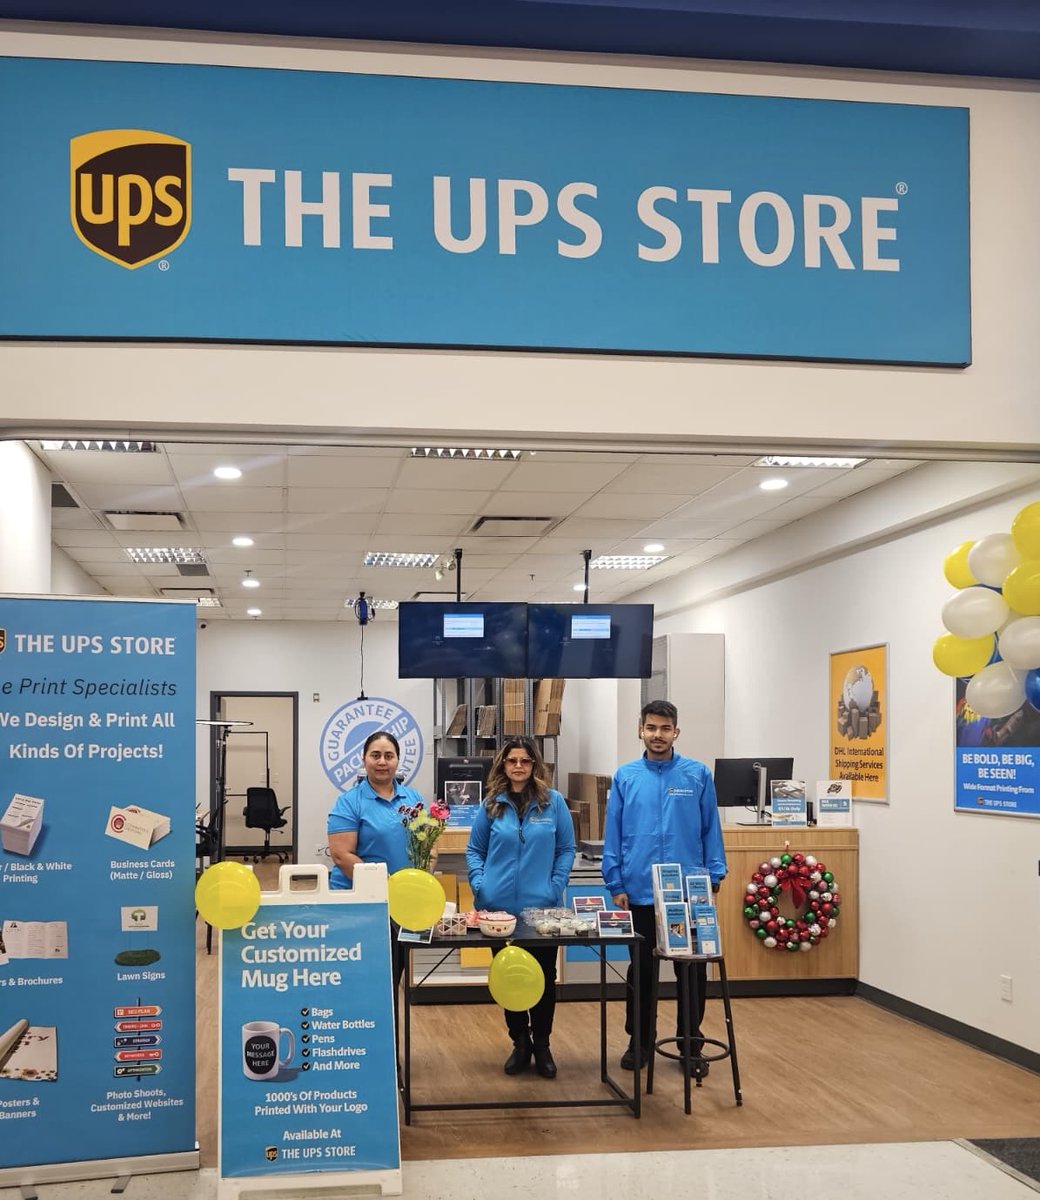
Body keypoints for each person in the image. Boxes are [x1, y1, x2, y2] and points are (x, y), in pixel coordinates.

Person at [602, 700, 727, 1075]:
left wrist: (714, 874)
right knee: (641, 971)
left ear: (677, 732)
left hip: (687, 893)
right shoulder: (626, 777)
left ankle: (691, 1045)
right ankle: (638, 1043)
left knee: (692, 971)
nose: (658, 735)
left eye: (665, 728)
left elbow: (711, 829)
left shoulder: (697, 775)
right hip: (638, 891)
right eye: (651, 727)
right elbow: (614, 833)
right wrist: (616, 880)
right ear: (640, 730)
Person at [466, 736, 575, 1079]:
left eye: (525, 761)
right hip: (499, 913)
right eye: (512, 760)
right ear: (502, 765)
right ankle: (519, 1042)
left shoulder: (553, 803)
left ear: (534, 765)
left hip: (542, 911)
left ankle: (542, 1045)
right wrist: (481, 886)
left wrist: (554, 886)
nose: (518, 766)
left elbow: (566, 849)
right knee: (508, 978)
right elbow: (474, 851)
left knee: (544, 979)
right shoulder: (491, 806)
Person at [327, 730, 426, 1029]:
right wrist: (387, 887)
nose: (382, 762)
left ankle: (387, 1056)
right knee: (364, 984)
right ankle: (358, 1047)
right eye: (375, 755)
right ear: (364, 759)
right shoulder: (349, 802)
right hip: (361, 907)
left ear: (397, 760)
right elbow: (342, 855)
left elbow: (425, 845)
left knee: (391, 981)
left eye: (388, 755)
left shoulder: (414, 798)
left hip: (402, 908)